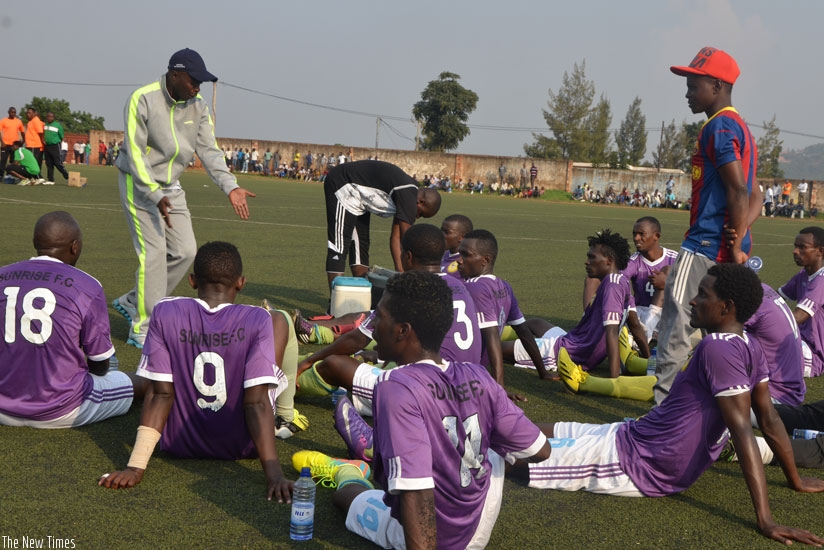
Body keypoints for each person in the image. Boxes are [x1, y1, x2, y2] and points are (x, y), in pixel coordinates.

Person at [518, 264, 824, 546]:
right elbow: (769, 419)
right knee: (538, 431)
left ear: (726, 307)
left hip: (639, 462)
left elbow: (745, 430)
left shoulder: (716, 348)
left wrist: (766, 519)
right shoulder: (751, 346)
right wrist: (794, 480)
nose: (693, 301)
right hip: (634, 436)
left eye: (704, 295)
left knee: (521, 456)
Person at [294, 271, 550, 549]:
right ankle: (373, 450)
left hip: (436, 538)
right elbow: (541, 451)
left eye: (380, 317)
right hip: (480, 524)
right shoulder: (478, 375)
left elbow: (417, 495)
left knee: (348, 497)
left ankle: (347, 470)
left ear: (403, 330)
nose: (374, 325)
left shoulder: (395, 387)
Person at [99, 242, 293, 503]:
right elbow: (256, 402)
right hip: (243, 446)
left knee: (158, 381)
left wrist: (135, 467)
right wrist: (274, 475)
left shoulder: (165, 311)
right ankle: (286, 413)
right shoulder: (257, 318)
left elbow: (159, 394)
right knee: (279, 318)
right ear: (241, 282)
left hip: (179, 444)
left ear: (192, 281)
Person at [112, 48, 256, 349]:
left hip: (171, 186)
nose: (197, 87)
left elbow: (209, 150)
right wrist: (153, 193)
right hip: (140, 184)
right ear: (175, 74)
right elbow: (135, 155)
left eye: (200, 83)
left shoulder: (198, 106)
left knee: (186, 251)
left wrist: (230, 186)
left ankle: (133, 300)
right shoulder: (143, 99)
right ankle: (142, 327)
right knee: (152, 253)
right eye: (193, 80)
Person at [654, 46, 760, 404]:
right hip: (728, 250)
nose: (687, 94)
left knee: (675, 331)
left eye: (693, 86)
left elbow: (739, 188)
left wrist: (733, 241)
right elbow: (756, 196)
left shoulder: (717, 127)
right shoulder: (743, 129)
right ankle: (715, 414)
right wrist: (742, 235)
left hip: (703, 247)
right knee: (719, 335)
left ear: (716, 86)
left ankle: (660, 417)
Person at [297, 224, 482, 416]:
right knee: (370, 355)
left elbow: (358, 338)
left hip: (429, 392)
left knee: (333, 364)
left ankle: (282, 386)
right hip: (469, 388)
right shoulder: (459, 286)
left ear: (407, 256)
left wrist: (310, 361)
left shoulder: (406, 287)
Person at [0, 211, 146, 428]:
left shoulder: (3, 274)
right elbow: (99, 363)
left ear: (35, 242)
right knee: (146, 381)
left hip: (3, 405)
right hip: (61, 408)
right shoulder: (87, 285)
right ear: (74, 246)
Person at [505, 229, 649, 381]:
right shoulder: (622, 281)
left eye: (592, 257)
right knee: (535, 323)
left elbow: (611, 333)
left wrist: (614, 381)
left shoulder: (612, 286)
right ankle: (499, 330)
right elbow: (635, 325)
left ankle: (491, 335)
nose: (587, 262)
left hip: (567, 352)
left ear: (609, 260)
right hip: (572, 340)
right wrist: (648, 361)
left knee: (494, 349)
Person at [458, 229, 552, 397]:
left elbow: (491, 336)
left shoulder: (474, 287)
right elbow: (523, 331)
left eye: (466, 255)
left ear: (485, 260)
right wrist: (542, 372)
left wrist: (499, 389)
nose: (459, 260)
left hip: (462, 369)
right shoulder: (503, 286)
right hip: (478, 368)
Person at [323, 159, 441, 291]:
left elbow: (395, 239)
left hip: (360, 199)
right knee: (339, 247)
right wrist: (412, 273)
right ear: (421, 202)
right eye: (421, 214)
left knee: (361, 249)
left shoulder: (407, 196)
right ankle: (335, 302)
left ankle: (361, 297)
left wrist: (401, 273)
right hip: (343, 183)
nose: (417, 217)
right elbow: (408, 240)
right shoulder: (408, 195)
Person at [583, 216, 677, 343]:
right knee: (592, 278)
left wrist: (668, 284)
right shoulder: (633, 262)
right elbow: (617, 280)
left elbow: (692, 288)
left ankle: (647, 333)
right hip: (640, 316)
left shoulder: (675, 258)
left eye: (641, 234)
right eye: (634, 234)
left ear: (656, 236)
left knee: (668, 272)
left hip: (668, 315)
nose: (636, 238)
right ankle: (588, 321)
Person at [778, 226, 824, 378]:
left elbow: (798, 317)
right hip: (801, 342)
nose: (795, 251)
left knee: (762, 350)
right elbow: (775, 298)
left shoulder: (821, 280)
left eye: (802, 247)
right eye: (795, 246)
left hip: (816, 356)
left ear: (820, 251)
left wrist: (765, 325)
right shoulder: (803, 275)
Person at [440, 213, 473, 278]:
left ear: (462, 238)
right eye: (441, 231)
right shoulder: (442, 254)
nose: (441, 235)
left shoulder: (465, 264)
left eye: (447, 232)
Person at [42, 112, 70, 184]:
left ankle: (67, 175)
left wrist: (56, 142)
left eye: (51, 117)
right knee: (49, 163)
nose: (49, 118)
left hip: (55, 146)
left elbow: (62, 137)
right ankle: (50, 180)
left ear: (54, 118)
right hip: (47, 146)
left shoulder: (58, 125)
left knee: (57, 163)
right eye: (48, 116)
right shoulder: (45, 125)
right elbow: (43, 134)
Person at [0, 107, 24, 174]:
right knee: (3, 161)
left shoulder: (18, 121)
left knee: (13, 161)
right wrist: (2, 142)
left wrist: (23, 142)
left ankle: (10, 175)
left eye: (14, 112)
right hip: (5, 144)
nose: (13, 114)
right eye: (12, 112)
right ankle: (1, 175)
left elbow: (22, 132)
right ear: (8, 112)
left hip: (14, 146)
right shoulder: (3, 121)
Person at [24, 108, 45, 174]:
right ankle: (31, 176)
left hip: (34, 145)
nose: (28, 114)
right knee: (29, 161)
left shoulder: (36, 120)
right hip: (29, 145)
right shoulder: (30, 121)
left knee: (33, 162)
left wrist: (42, 140)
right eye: (27, 113)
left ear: (34, 113)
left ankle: (35, 176)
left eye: (29, 113)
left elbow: (40, 132)